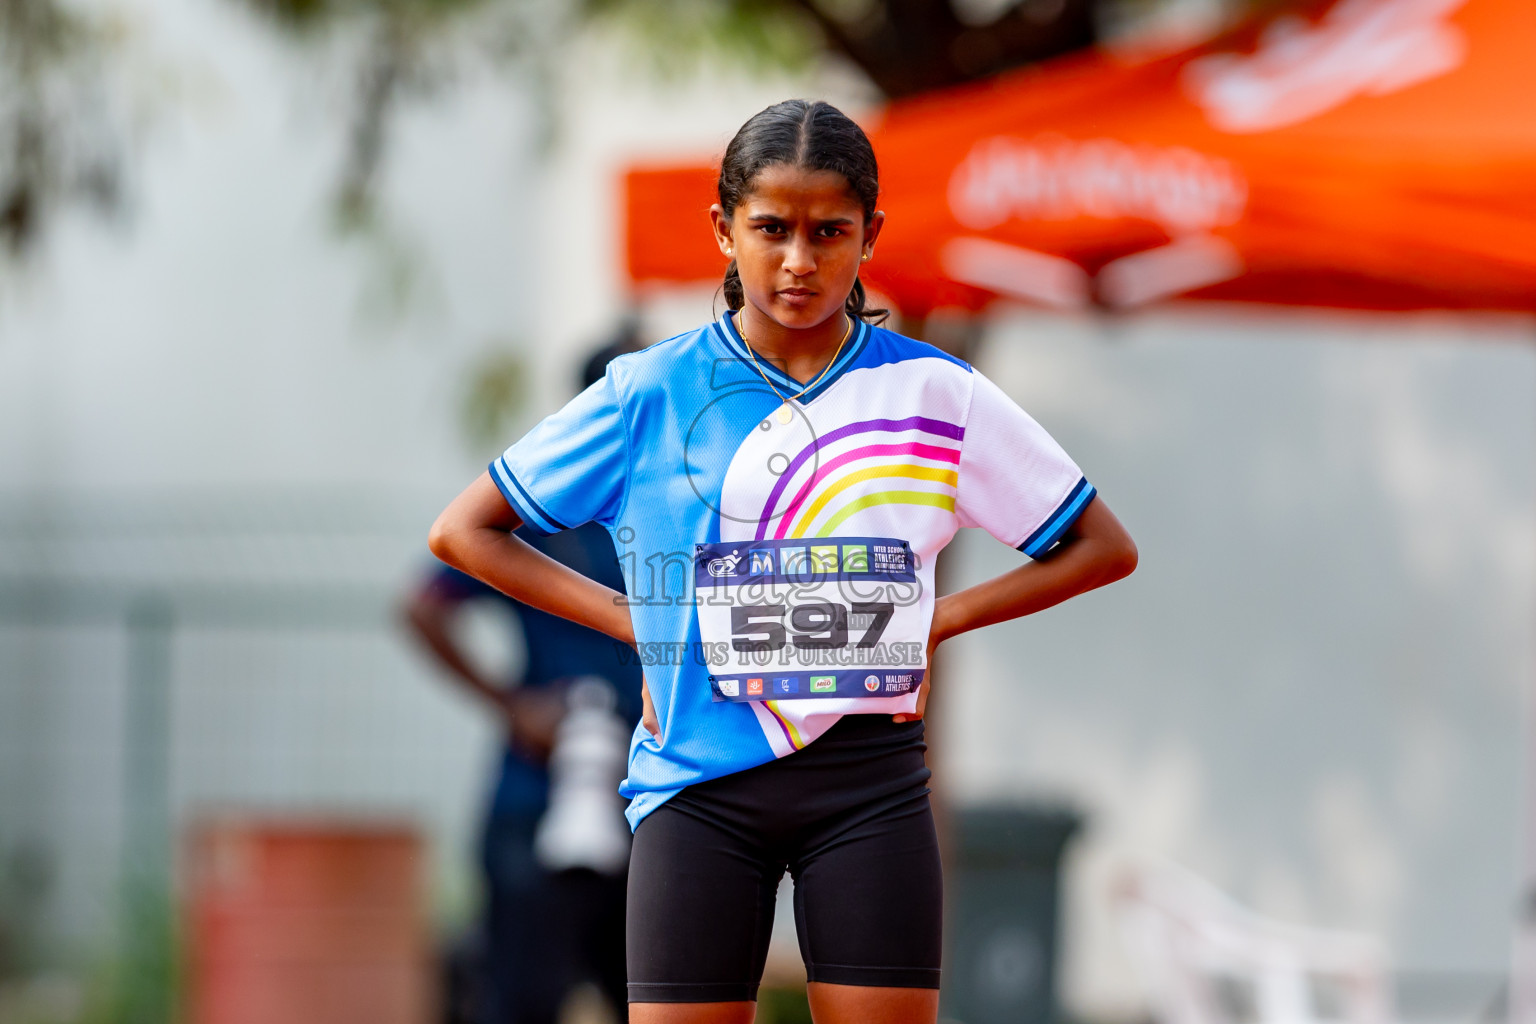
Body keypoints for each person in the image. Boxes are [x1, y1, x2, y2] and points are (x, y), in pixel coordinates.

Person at [428, 99, 1138, 1024]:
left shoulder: (933, 393)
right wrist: (631, 619)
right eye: (771, 229)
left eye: (828, 232)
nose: (799, 261)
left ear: (870, 236)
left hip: (870, 790)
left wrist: (935, 620)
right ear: (723, 230)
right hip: (695, 783)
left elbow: (1100, 547)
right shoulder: (650, 389)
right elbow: (464, 532)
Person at [405, 336, 643, 1024]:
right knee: (523, 995)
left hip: (647, 788)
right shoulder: (543, 504)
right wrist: (511, 706)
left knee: (650, 997)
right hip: (540, 785)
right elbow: (424, 604)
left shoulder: (678, 508)